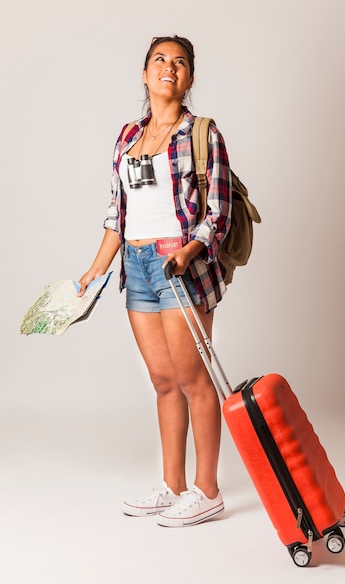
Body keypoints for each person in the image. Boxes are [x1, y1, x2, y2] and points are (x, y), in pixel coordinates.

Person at [78, 35, 232, 527]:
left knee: (193, 380)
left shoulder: (201, 133)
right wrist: (96, 268)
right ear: (145, 74)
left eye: (180, 61)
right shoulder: (127, 136)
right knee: (164, 382)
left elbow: (219, 211)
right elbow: (115, 212)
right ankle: (173, 485)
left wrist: (189, 251)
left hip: (179, 266)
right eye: (160, 60)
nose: (170, 67)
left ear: (188, 78)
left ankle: (207, 490)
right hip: (138, 266)